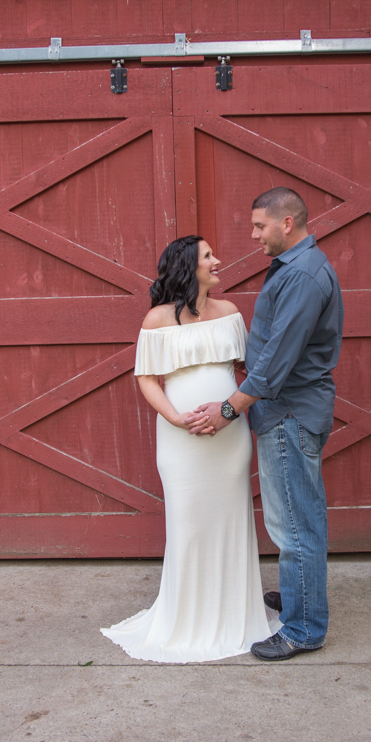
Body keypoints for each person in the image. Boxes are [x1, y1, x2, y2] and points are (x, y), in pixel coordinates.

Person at [101, 235, 281, 663]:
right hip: (181, 442)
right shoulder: (156, 320)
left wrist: (230, 408)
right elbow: (147, 378)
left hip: (229, 437)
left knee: (231, 519)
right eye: (207, 256)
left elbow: (247, 369)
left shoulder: (231, 313)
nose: (218, 261)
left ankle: (236, 614)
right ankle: (186, 618)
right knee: (189, 523)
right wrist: (176, 418)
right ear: (188, 267)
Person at [189, 187, 344, 661]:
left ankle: (302, 629)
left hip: (290, 413)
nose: (253, 235)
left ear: (287, 224)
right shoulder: (299, 267)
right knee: (300, 518)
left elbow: (277, 362)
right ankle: (302, 598)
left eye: (259, 226)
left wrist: (229, 408)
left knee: (294, 525)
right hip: (290, 411)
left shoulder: (301, 276)